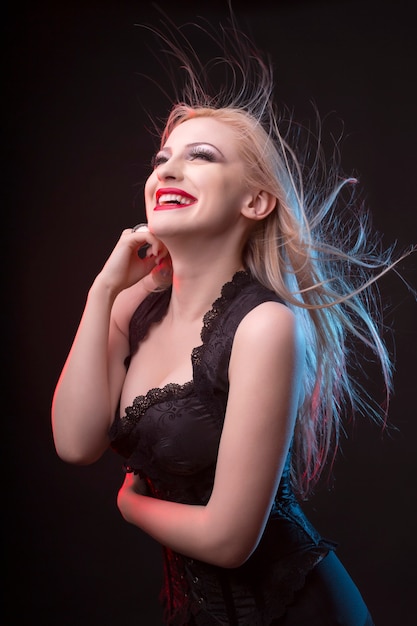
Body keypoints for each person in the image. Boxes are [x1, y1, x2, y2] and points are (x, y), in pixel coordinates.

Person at [51, 14, 411, 626]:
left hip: (299, 611)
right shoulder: (131, 306)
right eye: (163, 158)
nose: (167, 170)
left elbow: (228, 537)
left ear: (255, 201)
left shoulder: (266, 325)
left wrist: (132, 508)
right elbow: (75, 441)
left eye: (201, 157)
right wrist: (103, 290)